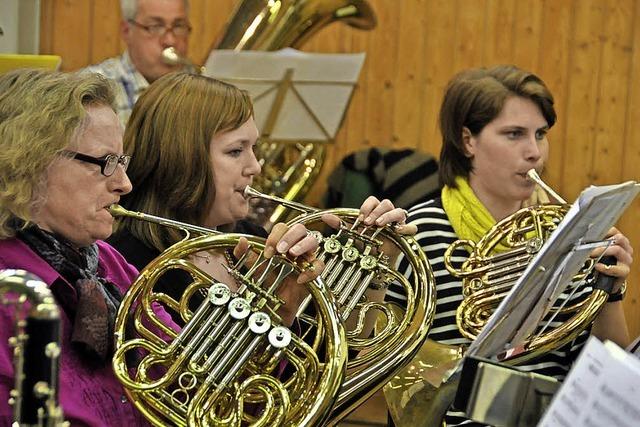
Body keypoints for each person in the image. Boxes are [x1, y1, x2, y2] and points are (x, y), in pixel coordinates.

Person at [390, 65, 633, 426]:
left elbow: (602, 364)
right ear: (468, 140)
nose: (534, 152)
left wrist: (609, 290)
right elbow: (381, 357)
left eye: (540, 134)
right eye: (514, 134)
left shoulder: (568, 235)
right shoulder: (417, 233)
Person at [108, 71, 410, 327]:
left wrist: (377, 258)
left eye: (254, 148)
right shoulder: (127, 263)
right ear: (182, 160)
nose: (256, 167)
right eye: (236, 151)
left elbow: (331, 360)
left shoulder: (251, 239)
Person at [0, 69, 147, 425]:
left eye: (122, 162)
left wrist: (279, 309)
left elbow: (190, 380)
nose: (124, 185)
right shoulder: (10, 295)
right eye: (105, 163)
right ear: (32, 163)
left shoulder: (107, 263)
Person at [84, 0, 191, 126]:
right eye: (155, 27)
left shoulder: (199, 85)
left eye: (179, 26)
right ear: (126, 31)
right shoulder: (92, 88)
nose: (170, 41)